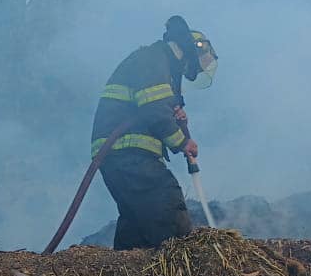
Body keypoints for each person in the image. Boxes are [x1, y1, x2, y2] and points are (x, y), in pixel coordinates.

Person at [90, 15, 218, 250]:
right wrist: (182, 142)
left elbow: (154, 107)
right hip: (127, 152)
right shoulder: (153, 59)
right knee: (166, 202)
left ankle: (127, 275)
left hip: (121, 156)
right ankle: (182, 273)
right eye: (197, 66)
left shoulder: (159, 66)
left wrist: (172, 113)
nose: (193, 72)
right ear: (190, 51)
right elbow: (154, 108)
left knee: (138, 225)